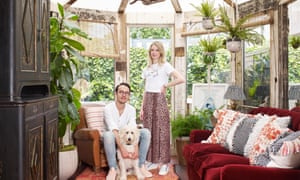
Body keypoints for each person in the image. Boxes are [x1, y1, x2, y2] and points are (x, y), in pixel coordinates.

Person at [140, 41, 185, 175]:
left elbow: (181, 78)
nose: (154, 52)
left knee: (162, 131)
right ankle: (152, 161)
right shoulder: (147, 68)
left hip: (159, 98)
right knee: (149, 131)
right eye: (152, 50)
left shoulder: (165, 66)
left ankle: (164, 163)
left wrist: (166, 85)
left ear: (161, 52)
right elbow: (145, 89)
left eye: (156, 50)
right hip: (148, 98)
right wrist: (142, 108)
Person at [103, 82, 153, 180]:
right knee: (108, 135)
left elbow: (133, 129)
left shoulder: (131, 109)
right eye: (121, 92)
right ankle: (113, 168)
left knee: (145, 132)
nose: (124, 95)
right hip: (113, 136)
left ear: (129, 95)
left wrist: (136, 149)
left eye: (126, 93)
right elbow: (114, 130)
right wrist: (122, 148)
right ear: (116, 93)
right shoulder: (108, 108)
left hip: (128, 135)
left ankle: (140, 165)